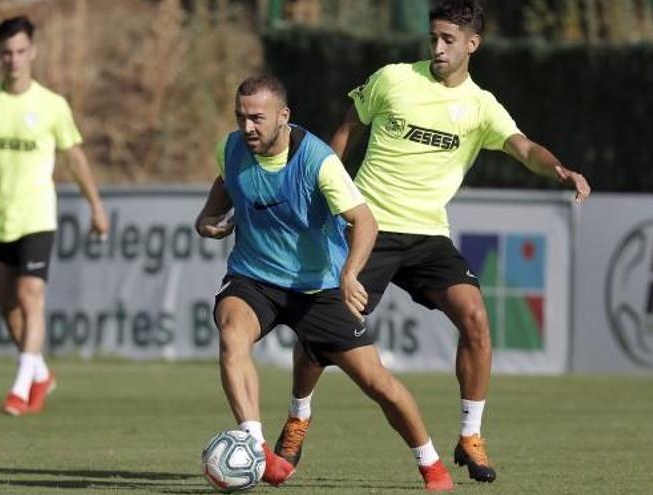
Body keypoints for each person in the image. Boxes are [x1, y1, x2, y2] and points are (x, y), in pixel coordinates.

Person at [274, 0, 592, 483]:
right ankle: (298, 417)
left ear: (472, 44)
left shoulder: (481, 106)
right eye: (434, 38)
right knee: (323, 333)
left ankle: (471, 434)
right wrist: (330, 198)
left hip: (428, 236)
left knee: (476, 319)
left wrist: (559, 169)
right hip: (369, 230)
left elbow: (523, 147)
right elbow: (344, 130)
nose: (438, 47)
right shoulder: (393, 79)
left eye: (448, 40)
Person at [194, 75, 454, 491]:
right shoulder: (231, 148)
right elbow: (222, 189)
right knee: (232, 334)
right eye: (240, 117)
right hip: (254, 278)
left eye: (257, 118)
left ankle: (431, 463)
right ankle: (258, 448)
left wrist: (349, 273)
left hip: (318, 288)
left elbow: (364, 221)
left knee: (378, 383)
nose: (247, 128)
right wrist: (207, 220)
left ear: (284, 116)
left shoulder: (317, 160)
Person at [0, 16, 108, 416]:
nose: (14, 59)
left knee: (29, 295)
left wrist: (95, 205)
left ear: (33, 52)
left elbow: (74, 155)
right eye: (7, 52)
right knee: (8, 307)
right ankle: (39, 372)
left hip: (38, 216)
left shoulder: (52, 105)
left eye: (21, 51)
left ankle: (20, 388)